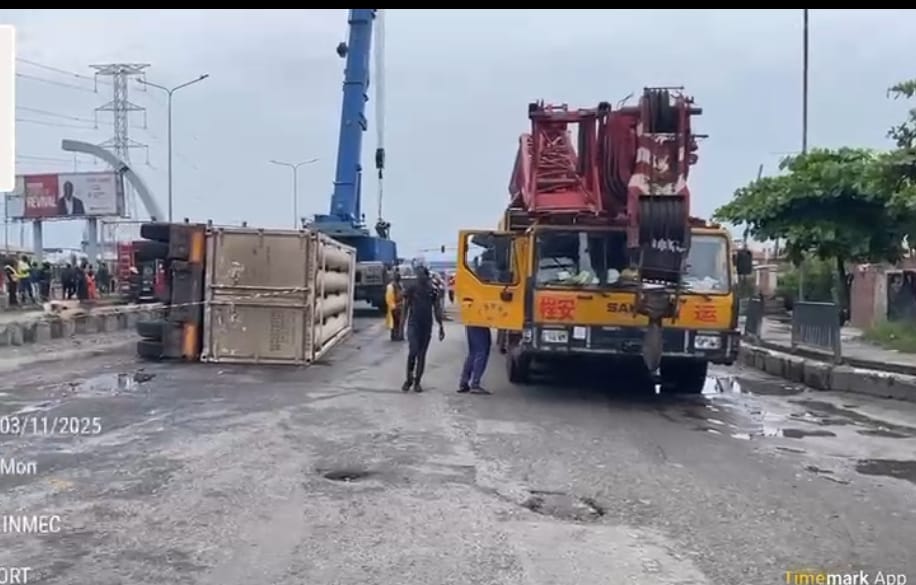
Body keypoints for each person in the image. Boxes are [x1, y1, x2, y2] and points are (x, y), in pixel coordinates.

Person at [401, 266, 445, 393]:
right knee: (413, 351)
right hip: (413, 324)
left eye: (422, 275)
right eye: (418, 275)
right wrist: (401, 325)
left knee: (421, 355)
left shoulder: (432, 290)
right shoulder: (412, 288)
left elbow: (437, 309)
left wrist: (441, 327)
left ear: (426, 276)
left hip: (426, 326)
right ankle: (409, 379)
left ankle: (417, 382)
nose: (419, 277)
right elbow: (405, 306)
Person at [385, 270, 405, 341]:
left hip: (399, 306)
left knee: (399, 322)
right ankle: (394, 336)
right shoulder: (391, 286)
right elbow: (389, 298)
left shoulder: (400, 285)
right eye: (397, 276)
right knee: (395, 322)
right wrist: (393, 306)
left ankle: (398, 335)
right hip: (395, 306)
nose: (398, 277)